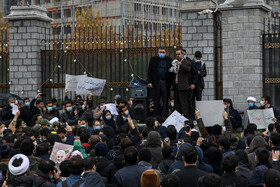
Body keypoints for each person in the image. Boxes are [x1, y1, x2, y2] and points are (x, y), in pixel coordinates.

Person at [147, 47, 173, 117]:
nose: (162, 53)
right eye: (160, 52)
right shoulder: (153, 59)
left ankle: (164, 114)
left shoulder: (169, 60)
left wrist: (171, 84)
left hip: (165, 82)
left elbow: (172, 73)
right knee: (156, 99)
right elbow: (149, 71)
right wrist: (150, 82)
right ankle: (156, 114)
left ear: (166, 53)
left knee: (165, 99)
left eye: (163, 52)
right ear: (158, 52)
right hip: (156, 82)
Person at [173, 49, 197, 119]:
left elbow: (188, 69)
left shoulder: (186, 62)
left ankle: (185, 116)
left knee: (184, 102)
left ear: (183, 54)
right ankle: (177, 116)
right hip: (176, 84)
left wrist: (181, 64)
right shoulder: (175, 62)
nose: (177, 55)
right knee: (177, 102)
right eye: (176, 54)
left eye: (179, 54)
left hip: (183, 85)